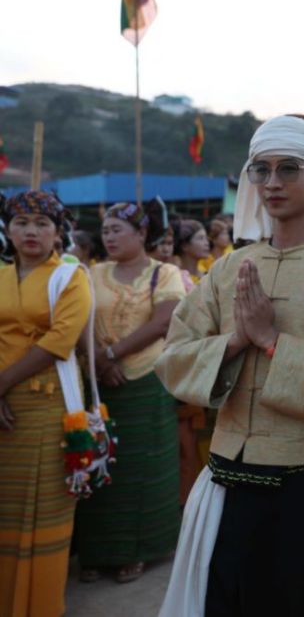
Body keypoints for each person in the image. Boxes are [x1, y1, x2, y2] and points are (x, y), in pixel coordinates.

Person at [154, 114, 304, 616]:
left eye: (288, 169)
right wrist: (237, 341)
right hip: (227, 476)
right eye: (260, 170)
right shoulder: (231, 268)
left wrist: (273, 340)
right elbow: (172, 359)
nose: (271, 183)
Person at [74, 200, 185, 584]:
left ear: (141, 234)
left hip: (145, 382)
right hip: (99, 383)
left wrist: (112, 354)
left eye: (117, 229)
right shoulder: (91, 272)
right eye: (105, 231)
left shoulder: (164, 272)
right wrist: (99, 362)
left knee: (144, 469)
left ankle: (138, 551)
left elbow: (163, 320)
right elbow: (78, 319)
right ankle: (96, 550)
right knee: (98, 466)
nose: (109, 236)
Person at [0, 192, 93, 617]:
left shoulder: (70, 277)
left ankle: (40, 607)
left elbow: (59, 342)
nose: (30, 231)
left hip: (47, 404)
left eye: (41, 223)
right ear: (7, 229)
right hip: (2, 400)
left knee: (45, 508)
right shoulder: (0, 275)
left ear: (58, 232)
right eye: (21, 223)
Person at [173, 219, 212, 286]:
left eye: (206, 238)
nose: (207, 243)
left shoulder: (208, 276)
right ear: (184, 246)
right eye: (200, 238)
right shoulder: (174, 277)